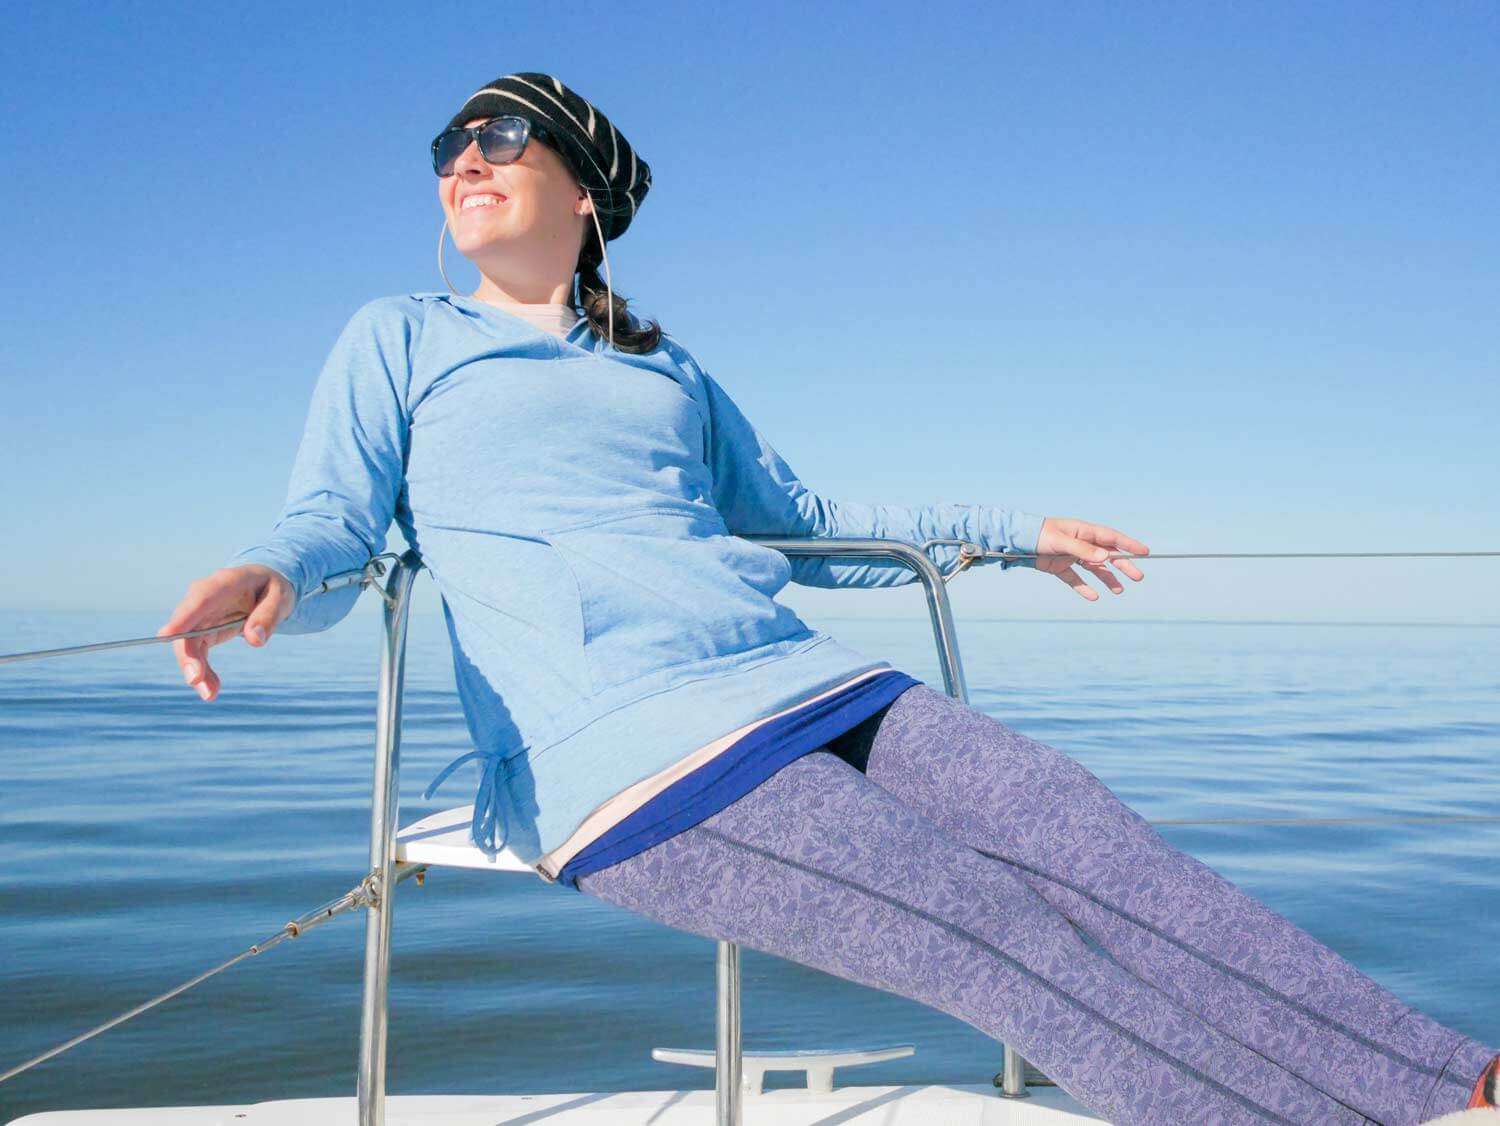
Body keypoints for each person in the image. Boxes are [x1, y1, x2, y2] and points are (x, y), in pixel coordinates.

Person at [156, 72, 1499, 1125]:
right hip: (635, 758)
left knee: (1098, 842)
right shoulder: (398, 336)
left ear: (581, 190)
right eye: (447, 146)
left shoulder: (666, 369)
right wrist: (270, 578)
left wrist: (1006, 534)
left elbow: (801, 528)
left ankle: (1454, 1079)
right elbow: (331, 521)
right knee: (988, 926)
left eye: (498, 135)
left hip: (809, 682)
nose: (463, 159)